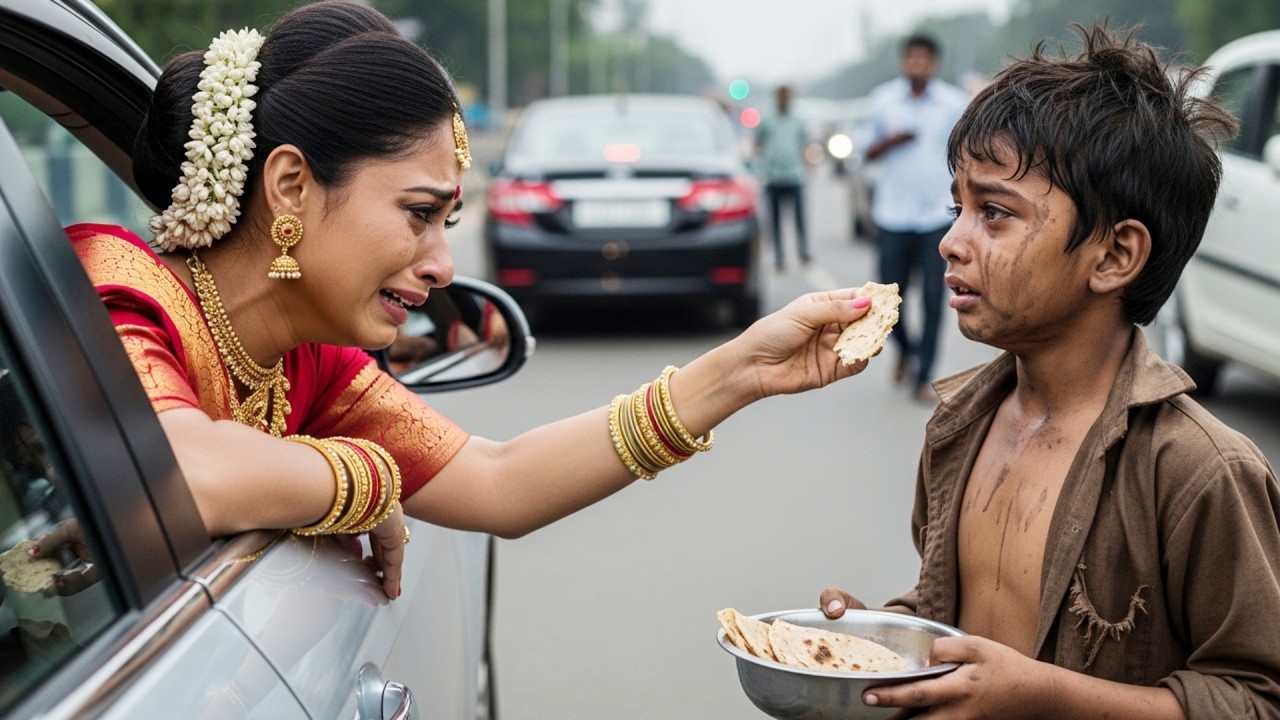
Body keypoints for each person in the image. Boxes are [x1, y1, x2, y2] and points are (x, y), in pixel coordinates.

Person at [54, 0, 879, 603]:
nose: (444, 266)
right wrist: (368, 478)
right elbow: (181, 471)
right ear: (292, 186)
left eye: (448, 223)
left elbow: (500, 481)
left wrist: (741, 373)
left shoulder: (306, 360)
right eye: (419, 214)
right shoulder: (115, 283)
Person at [819, 24, 1280, 718]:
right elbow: (959, 613)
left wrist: (1047, 698)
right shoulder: (959, 425)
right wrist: (882, 638)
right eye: (956, 208)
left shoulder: (1197, 471)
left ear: (1114, 256)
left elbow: (1256, 696)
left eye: (994, 213)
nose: (950, 241)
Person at [862, 34, 970, 404]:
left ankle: (924, 374)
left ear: (934, 63)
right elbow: (865, 151)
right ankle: (906, 351)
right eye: (911, 57)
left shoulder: (953, 103)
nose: (917, 64)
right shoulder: (883, 100)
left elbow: (967, 152)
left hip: (936, 215)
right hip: (893, 213)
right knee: (886, 299)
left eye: (924, 58)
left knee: (934, 298)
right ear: (903, 61)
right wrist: (891, 141)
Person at [755, 85, 811, 270]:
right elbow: (758, 143)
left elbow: (805, 145)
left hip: (794, 175)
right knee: (775, 220)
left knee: (799, 219)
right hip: (774, 177)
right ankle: (779, 256)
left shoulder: (797, 122)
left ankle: (803, 251)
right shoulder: (768, 121)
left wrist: (808, 168)